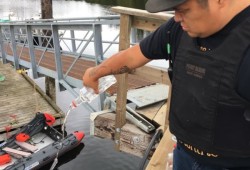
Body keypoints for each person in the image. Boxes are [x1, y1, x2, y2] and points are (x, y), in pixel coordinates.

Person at [83, 0, 250, 169]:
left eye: (183, 10)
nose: (176, 17)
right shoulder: (176, 29)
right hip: (183, 153)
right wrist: (95, 73)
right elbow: (134, 55)